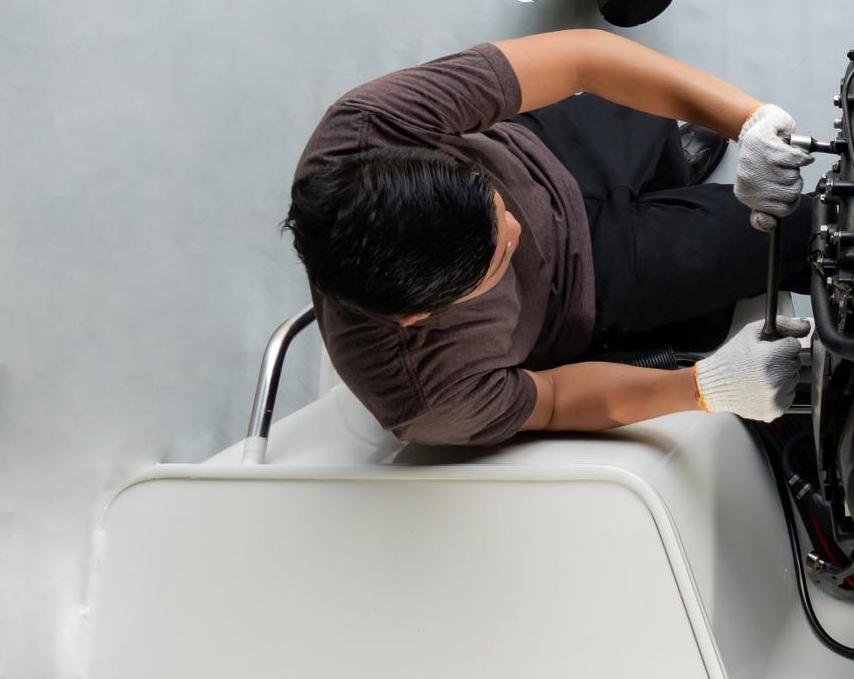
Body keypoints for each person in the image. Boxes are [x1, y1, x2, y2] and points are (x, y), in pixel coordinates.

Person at [282, 29, 815, 446]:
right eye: (497, 259)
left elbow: (583, 59)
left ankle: (666, 178)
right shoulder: (428, 396)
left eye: (493, 206)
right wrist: (705, 388)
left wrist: (749, 122)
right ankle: (669, 229)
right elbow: (556, 400)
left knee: (649, 108)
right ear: (416, 318)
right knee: (801, 233)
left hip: (540, 153)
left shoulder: (367, 127)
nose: (515, 227)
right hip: (580, 286)